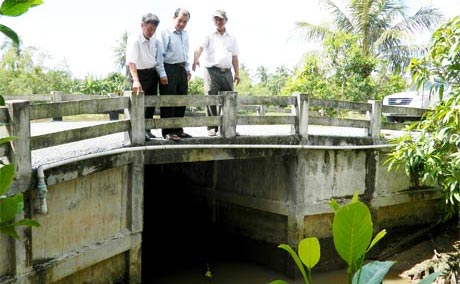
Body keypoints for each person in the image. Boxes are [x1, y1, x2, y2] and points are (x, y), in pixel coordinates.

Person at [192, 9, 240, 137]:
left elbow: (234, 56)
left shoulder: (232, 38)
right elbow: (200, 47)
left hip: (227, 71)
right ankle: (211, 127)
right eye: (216, 19)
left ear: (226, 21)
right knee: (211, 98)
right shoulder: (208, 35)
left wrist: (237, 73)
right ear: (213, 20)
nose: (218, 21)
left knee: (230, 98)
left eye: (221, 19)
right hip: (211, 71)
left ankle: (229, 126)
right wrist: (196, 58)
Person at [126, 13, 167, 141]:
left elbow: (157, 58)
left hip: (152, 73)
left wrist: (160, 74)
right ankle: (136, 132)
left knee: (150, 104)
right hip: (138, 73)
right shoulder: (134, 39)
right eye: (149, 29)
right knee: (138, 104)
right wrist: (136, 81)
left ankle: (147, 130)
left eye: (154, 30)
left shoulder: (154, 39)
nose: (151, 32)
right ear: (142, 25)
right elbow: (131, 62)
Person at [158, 8, 192, 141]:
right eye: (180, 21)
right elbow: (160, 55)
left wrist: (188, 69)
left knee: (181, 100)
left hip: (181, 69)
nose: (182, 24)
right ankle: (167, 131)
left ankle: (178, 129)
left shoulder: (186, 34)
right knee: (168, 101)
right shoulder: (165, 33)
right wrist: (162, 73)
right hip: (169, 68)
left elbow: (186, 54)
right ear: (174, 18)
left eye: (185, 22)